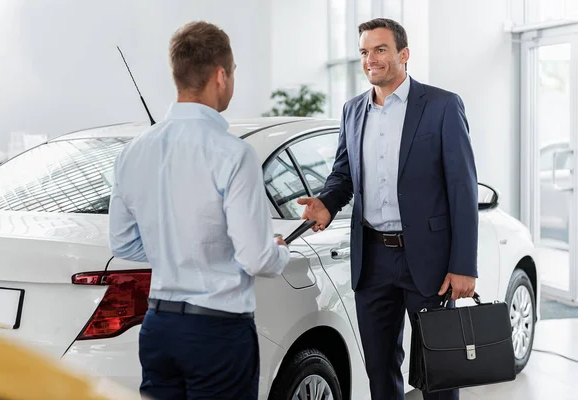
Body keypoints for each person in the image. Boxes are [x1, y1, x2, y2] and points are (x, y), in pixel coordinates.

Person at [108, 21, 290, 400]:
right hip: (218, 333)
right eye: (234, 72)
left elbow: (123, 243)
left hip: (158, 329)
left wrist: (175, 246)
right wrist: (280, 251)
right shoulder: (233, 153)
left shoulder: (133, 152)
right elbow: (256, 259)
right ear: (220, 75)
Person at [297, 18, 478, 400]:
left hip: (429, 260)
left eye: (380, 50)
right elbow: (343, 175)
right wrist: (326, 203)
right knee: (379, 371)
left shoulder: (442, 106)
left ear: (404, 54)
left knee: (440, 371)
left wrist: (463, 264)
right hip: (373, 258)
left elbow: (462, 189)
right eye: (364, 52)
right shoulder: (352, 111)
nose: (370, 60)